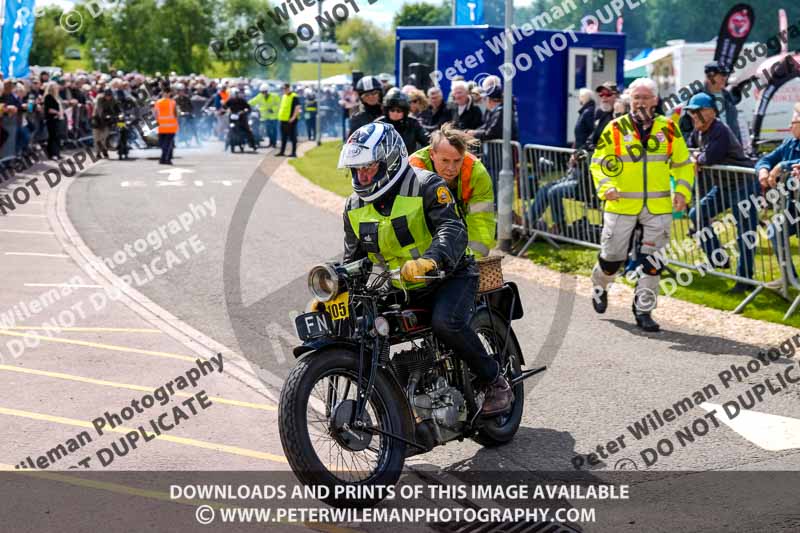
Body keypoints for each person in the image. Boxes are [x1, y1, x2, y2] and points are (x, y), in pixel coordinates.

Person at [338, 122, 513, 416]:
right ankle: (399, 397)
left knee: (446, 323)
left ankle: (495, 380)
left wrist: (432, 259)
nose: (362, 175)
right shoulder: (353, 206)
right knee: (358, 327)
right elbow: (353, 258)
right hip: (400, 286)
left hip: (449, 276)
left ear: (390, 162)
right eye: (357, 169)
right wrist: (335, 285)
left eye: (369, 167)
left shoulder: (426, 184)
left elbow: (451, 228)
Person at [589, 78, 695, 332]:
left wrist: (681, 191)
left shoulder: (668, 128)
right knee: (612, 259)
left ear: (656, 100)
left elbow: (683, 164)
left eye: (646, 97)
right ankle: (599, 285)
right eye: (636, 98)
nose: (640, 102)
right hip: (621, 205)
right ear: (629, 100)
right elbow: (598, 163)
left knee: (653, 261)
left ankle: (644, 310)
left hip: (658, 208)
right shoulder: (615, 128)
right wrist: (606, 187)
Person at [684, 93, 757, 290]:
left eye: (697, 111)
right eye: (691, 111)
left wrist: (697, 158)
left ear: (711, 112)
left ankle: (745, 280)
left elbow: (709, 158)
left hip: (744, 185)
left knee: (744, 233)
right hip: (724, 186)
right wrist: (696, 157)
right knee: (697, 214)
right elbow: (687, 151)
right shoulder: (698, 132)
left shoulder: (720, 130)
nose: (693, 115)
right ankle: (718, 257)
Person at [409, 123, 496, 258]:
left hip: (461, 224)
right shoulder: (413, 170)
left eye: (457, 161)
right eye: (445, 160)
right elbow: (411, 223)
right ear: (432, 154)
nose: (451, 168)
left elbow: (481, 222)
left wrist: (473, 258)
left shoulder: (476, 173)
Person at [755, 102, 800, 279]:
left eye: (794, 122)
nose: (790, 126)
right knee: (775, 231)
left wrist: (782, 166)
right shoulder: (790, 143)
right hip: (792, 207)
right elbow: (765, 159)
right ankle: (790, 277)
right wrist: (764, 171)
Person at [679, 61, 742, 143]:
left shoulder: (727, 95)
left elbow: (734, 123)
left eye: (725, 75)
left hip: (730, 149)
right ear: (709, 77)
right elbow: (685, 126)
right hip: (707, 148)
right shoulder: (696, 96)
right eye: (721, 75)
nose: (724, 78)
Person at [375, 88, 429, 154]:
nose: (395, 113)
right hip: (382, 163)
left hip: (408, 162)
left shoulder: (413, 123)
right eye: (392, 110)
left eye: (399, 111)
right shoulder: (378, 124)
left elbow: (428, 141)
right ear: (387, 110)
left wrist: (420, 158)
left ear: (405, 111)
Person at [92, 88, 121, 158]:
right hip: (97, 120)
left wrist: (119, 115)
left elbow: (118, 108)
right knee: (97, 138)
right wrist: (106, 116)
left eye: (110, 96)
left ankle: (105, 150)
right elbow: (99, 111)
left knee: (105, 137)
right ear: (104, 95)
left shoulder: (113, 100)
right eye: (107, 96)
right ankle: (98, 153)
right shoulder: (99, 99)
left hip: (107, 121)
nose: (108, 97)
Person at [153, 85, 179, 165]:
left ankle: (164, 158)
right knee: (168, 144)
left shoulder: (158, 102)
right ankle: (166, 159)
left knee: (163, 144)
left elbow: (155, 114)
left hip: (161, 126)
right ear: (170, 93)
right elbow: (176, 114)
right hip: (171, 126)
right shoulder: (173, 102)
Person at [277, 83, 301, 157]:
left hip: (290, 120)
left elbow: (297, 108)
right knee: (283, 137)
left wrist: (293, 118)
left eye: (285, 88)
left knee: (292, 137)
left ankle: (293, 152)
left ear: (289, 88)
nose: (284, 90)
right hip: (283, 119)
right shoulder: (284, 96)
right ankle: (282, 151)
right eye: (283, 88)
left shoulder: (294, 96)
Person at [43, 81, 64, 160]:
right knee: (52, 137)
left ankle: (57, 153)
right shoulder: (48, 97)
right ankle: (52, 154)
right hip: (51, 119)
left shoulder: (56, 96)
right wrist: (57, 112)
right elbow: (48, 109)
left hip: (57, 119)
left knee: (57, 136)